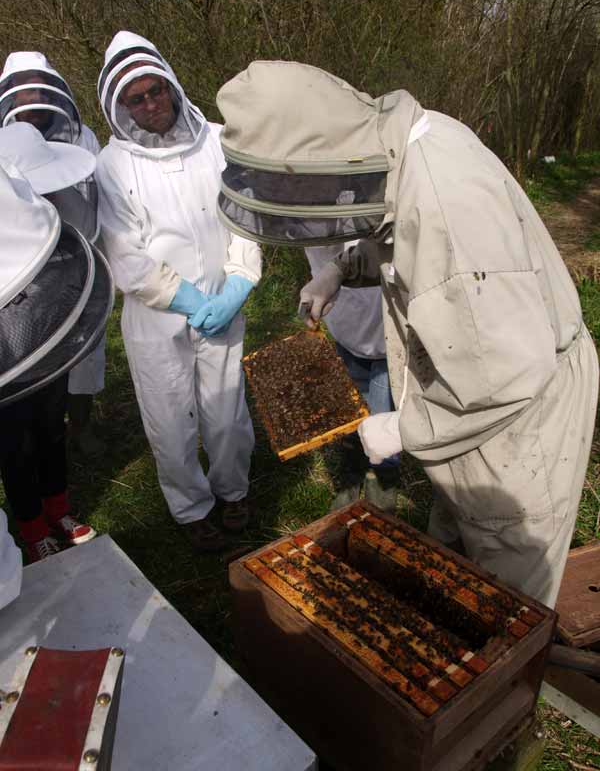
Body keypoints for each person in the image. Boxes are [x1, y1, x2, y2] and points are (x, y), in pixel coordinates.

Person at [215, 61, 598, 608]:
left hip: (518, 420)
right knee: (457, 543)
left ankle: (502, 689)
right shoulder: (408, 147)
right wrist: (341, 270)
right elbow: (402, 238)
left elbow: (507, 378)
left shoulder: (450, 202)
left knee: (506, 598)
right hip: (473, 386)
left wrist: (401, 428)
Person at [95, 32, 261, 552]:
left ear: (171, 85)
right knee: (170, 418)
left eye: (155, 91)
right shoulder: (111, 165)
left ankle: (233, 491)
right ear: (120, 107)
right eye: (136, 99)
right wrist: (185, 300)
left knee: (227, 411)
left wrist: (239, 282)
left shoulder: (217, 140)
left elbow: (245, 216)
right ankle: (191, 507)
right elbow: (125, 254)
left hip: (223, 302)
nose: (150, 104)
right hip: (156, 318)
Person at [0, 51, 106, 458]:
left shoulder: (83, 137)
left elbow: (93, 195)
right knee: (32, 351)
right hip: (26, 267)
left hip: (77, 253)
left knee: (85, 347)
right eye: (22, 96)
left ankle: (80, 425)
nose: (31, 106)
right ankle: (39, 434)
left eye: (37, 94)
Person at [0, 148, 98, 563]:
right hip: (6, 360)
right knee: (14, 445)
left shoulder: (47, 220)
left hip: (47, 346)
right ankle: (32, 528)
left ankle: (59, 510)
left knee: (51, 431)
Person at [304, 241, 400, 511]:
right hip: (344, 324)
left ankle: (383, 475)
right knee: (351, 406)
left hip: (387, 325)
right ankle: (353, 468)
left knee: (384, 413)